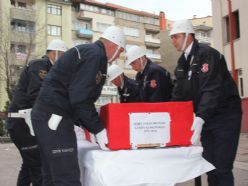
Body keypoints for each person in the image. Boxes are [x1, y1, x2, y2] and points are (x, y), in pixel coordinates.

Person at [31, 25, 126, 186]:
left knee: (51, 176)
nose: (118, 57)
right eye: (121, 51)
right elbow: (81, 98)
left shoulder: (88, 52)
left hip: (46, 116)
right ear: (114, 45)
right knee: (67, 178)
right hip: (55, 118)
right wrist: (98, 129)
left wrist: (84, 123)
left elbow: (75, 91)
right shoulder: (96, 56)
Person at [169, 19, 242, 186]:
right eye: (171, 37)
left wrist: (200, 116)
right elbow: (178, 95)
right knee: (209, 166)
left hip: (225, 116)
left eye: (176, 36)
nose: (173, 41)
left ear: (188, 35)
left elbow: (212, 88)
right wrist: (169, 117)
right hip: (207, 118)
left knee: (222, 167)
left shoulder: (206, 54)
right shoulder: (182, 63)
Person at [6, 39, 67, 186]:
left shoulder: (50, 69)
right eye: (63, 55)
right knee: (37, 165)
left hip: (24, 123)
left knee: (29, 165)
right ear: (55, 52)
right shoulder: (40, 66)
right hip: (22, 124)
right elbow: (36, 96)